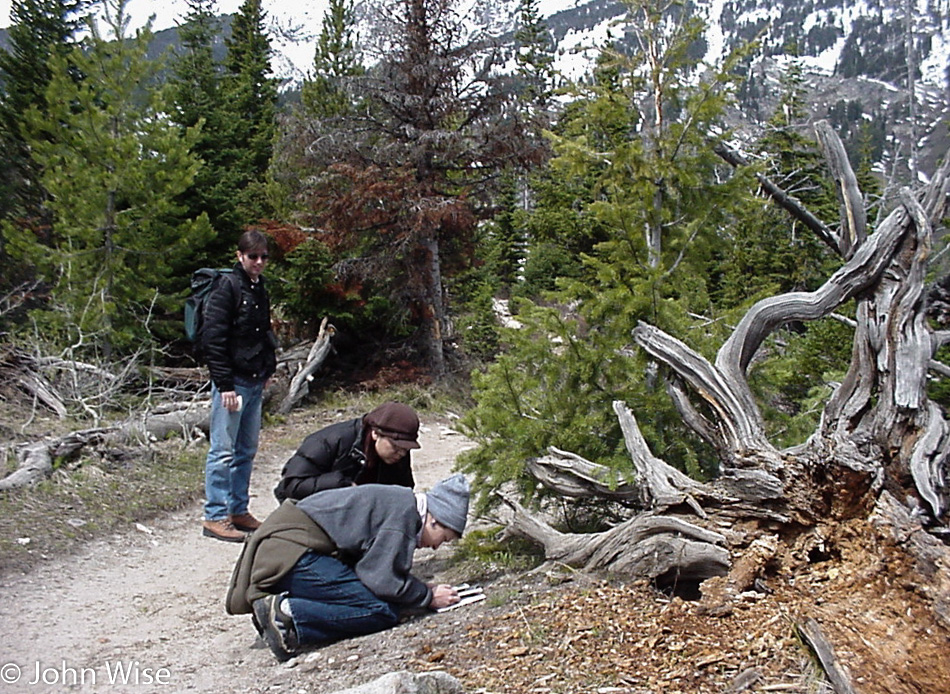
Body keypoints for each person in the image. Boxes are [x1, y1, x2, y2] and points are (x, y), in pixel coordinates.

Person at [226, 473, 470, 661]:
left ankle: (284, 608)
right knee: (382, 612)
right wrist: (427, 596)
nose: (438, 547)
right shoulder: (404, 517)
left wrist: (414, 590)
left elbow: (374, 570)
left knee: (378, 602)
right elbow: (379, 579)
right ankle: (288, 612)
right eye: (444, 538)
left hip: (291, 551)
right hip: (293, 554)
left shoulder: (401, 503)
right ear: (435, 520)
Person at [201, 229, 278, 542]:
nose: (258, 262)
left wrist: (268, 367)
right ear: (239, 256)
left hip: (255, 380)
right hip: (232, 384)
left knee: (246, 450)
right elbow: (213, 339)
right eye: (252, 257)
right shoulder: (226, 287)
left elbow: (263, 334)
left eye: (263, 257)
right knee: (222, 451)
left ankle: (238, 509)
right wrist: (225, 385)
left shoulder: (259, 288)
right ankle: (215, 516)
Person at [273, 401, 420, 503]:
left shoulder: (397, 452)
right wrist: (344, 486)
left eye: (406, 449)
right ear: (375, 434)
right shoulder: (330, 440)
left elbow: (403, 491)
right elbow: (292, 485)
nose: (401, 453)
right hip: (304, 505)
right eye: (396, 447)